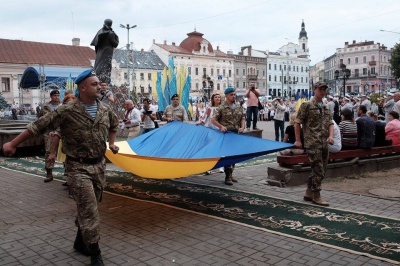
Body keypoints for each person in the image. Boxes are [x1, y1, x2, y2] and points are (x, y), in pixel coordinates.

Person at [2, 69, 120, 266]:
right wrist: (13, 143)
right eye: (94, 84)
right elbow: (37, 126)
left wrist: (112, 143)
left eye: (99, 83)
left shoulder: (105, 110)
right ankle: (95, 253)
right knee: (90, 209)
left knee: (89, 206)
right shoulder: (67, 110)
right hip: (77, 168)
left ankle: (80, 242)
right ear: (82, 88)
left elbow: (114, 125)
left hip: (98, 167)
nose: (99, 86)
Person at [294, 82, 334, 206]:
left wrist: (331, 136)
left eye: (324, 89)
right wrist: (298, 140)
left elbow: (330, 123)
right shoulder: (307, 105)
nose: (323, 91)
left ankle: (308, 192)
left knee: (320, 169)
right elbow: (297, 122)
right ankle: (317, 196)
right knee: (319, 170)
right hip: (312, 143)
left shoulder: (326, 106)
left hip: (324, 143)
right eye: (320, 89)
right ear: (314, 90)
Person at [211, 87, 245, 185]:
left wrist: (242, 127)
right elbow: (213, 119)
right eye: (231, 95)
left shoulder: (238, 106)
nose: (233, 96)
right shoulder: (222, 107)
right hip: (226, 134)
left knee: (234, 154)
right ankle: (227, 176)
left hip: (236, 134)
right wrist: (221, 126)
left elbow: (242, 117)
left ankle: (230, 174)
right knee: (228, 155)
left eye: (234, 94)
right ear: (226, 96)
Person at [196, 93, 224, 174]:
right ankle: (209, 167)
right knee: (210, 148)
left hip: (219, 129)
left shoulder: (222, 108)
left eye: (219, 97)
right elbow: (205, 117)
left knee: (219, 148)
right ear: (213, 99)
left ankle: (220, 166)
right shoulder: (209, 108)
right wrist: (200, 121)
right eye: (216, 97)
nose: (218, 98)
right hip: (210, 129)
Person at [41, 89, 62, 182]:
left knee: (65, 151)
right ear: (51, 96)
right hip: (49, 132)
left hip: (62, 131)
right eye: (55, 96)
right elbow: (40, 119)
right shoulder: (45, 107)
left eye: (58, 96)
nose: (57, 97)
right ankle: (49, 173)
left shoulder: (63, 106)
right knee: (49, 151)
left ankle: (68, 173)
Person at [91, 19, 119, 84]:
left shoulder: (100, 31)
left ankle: (98, 79)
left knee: (99, 65)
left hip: (100, 52)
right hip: (107, 52)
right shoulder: (110, 33)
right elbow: (115, 44)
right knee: (106, 67)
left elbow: (96, 44)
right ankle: (105, 82)